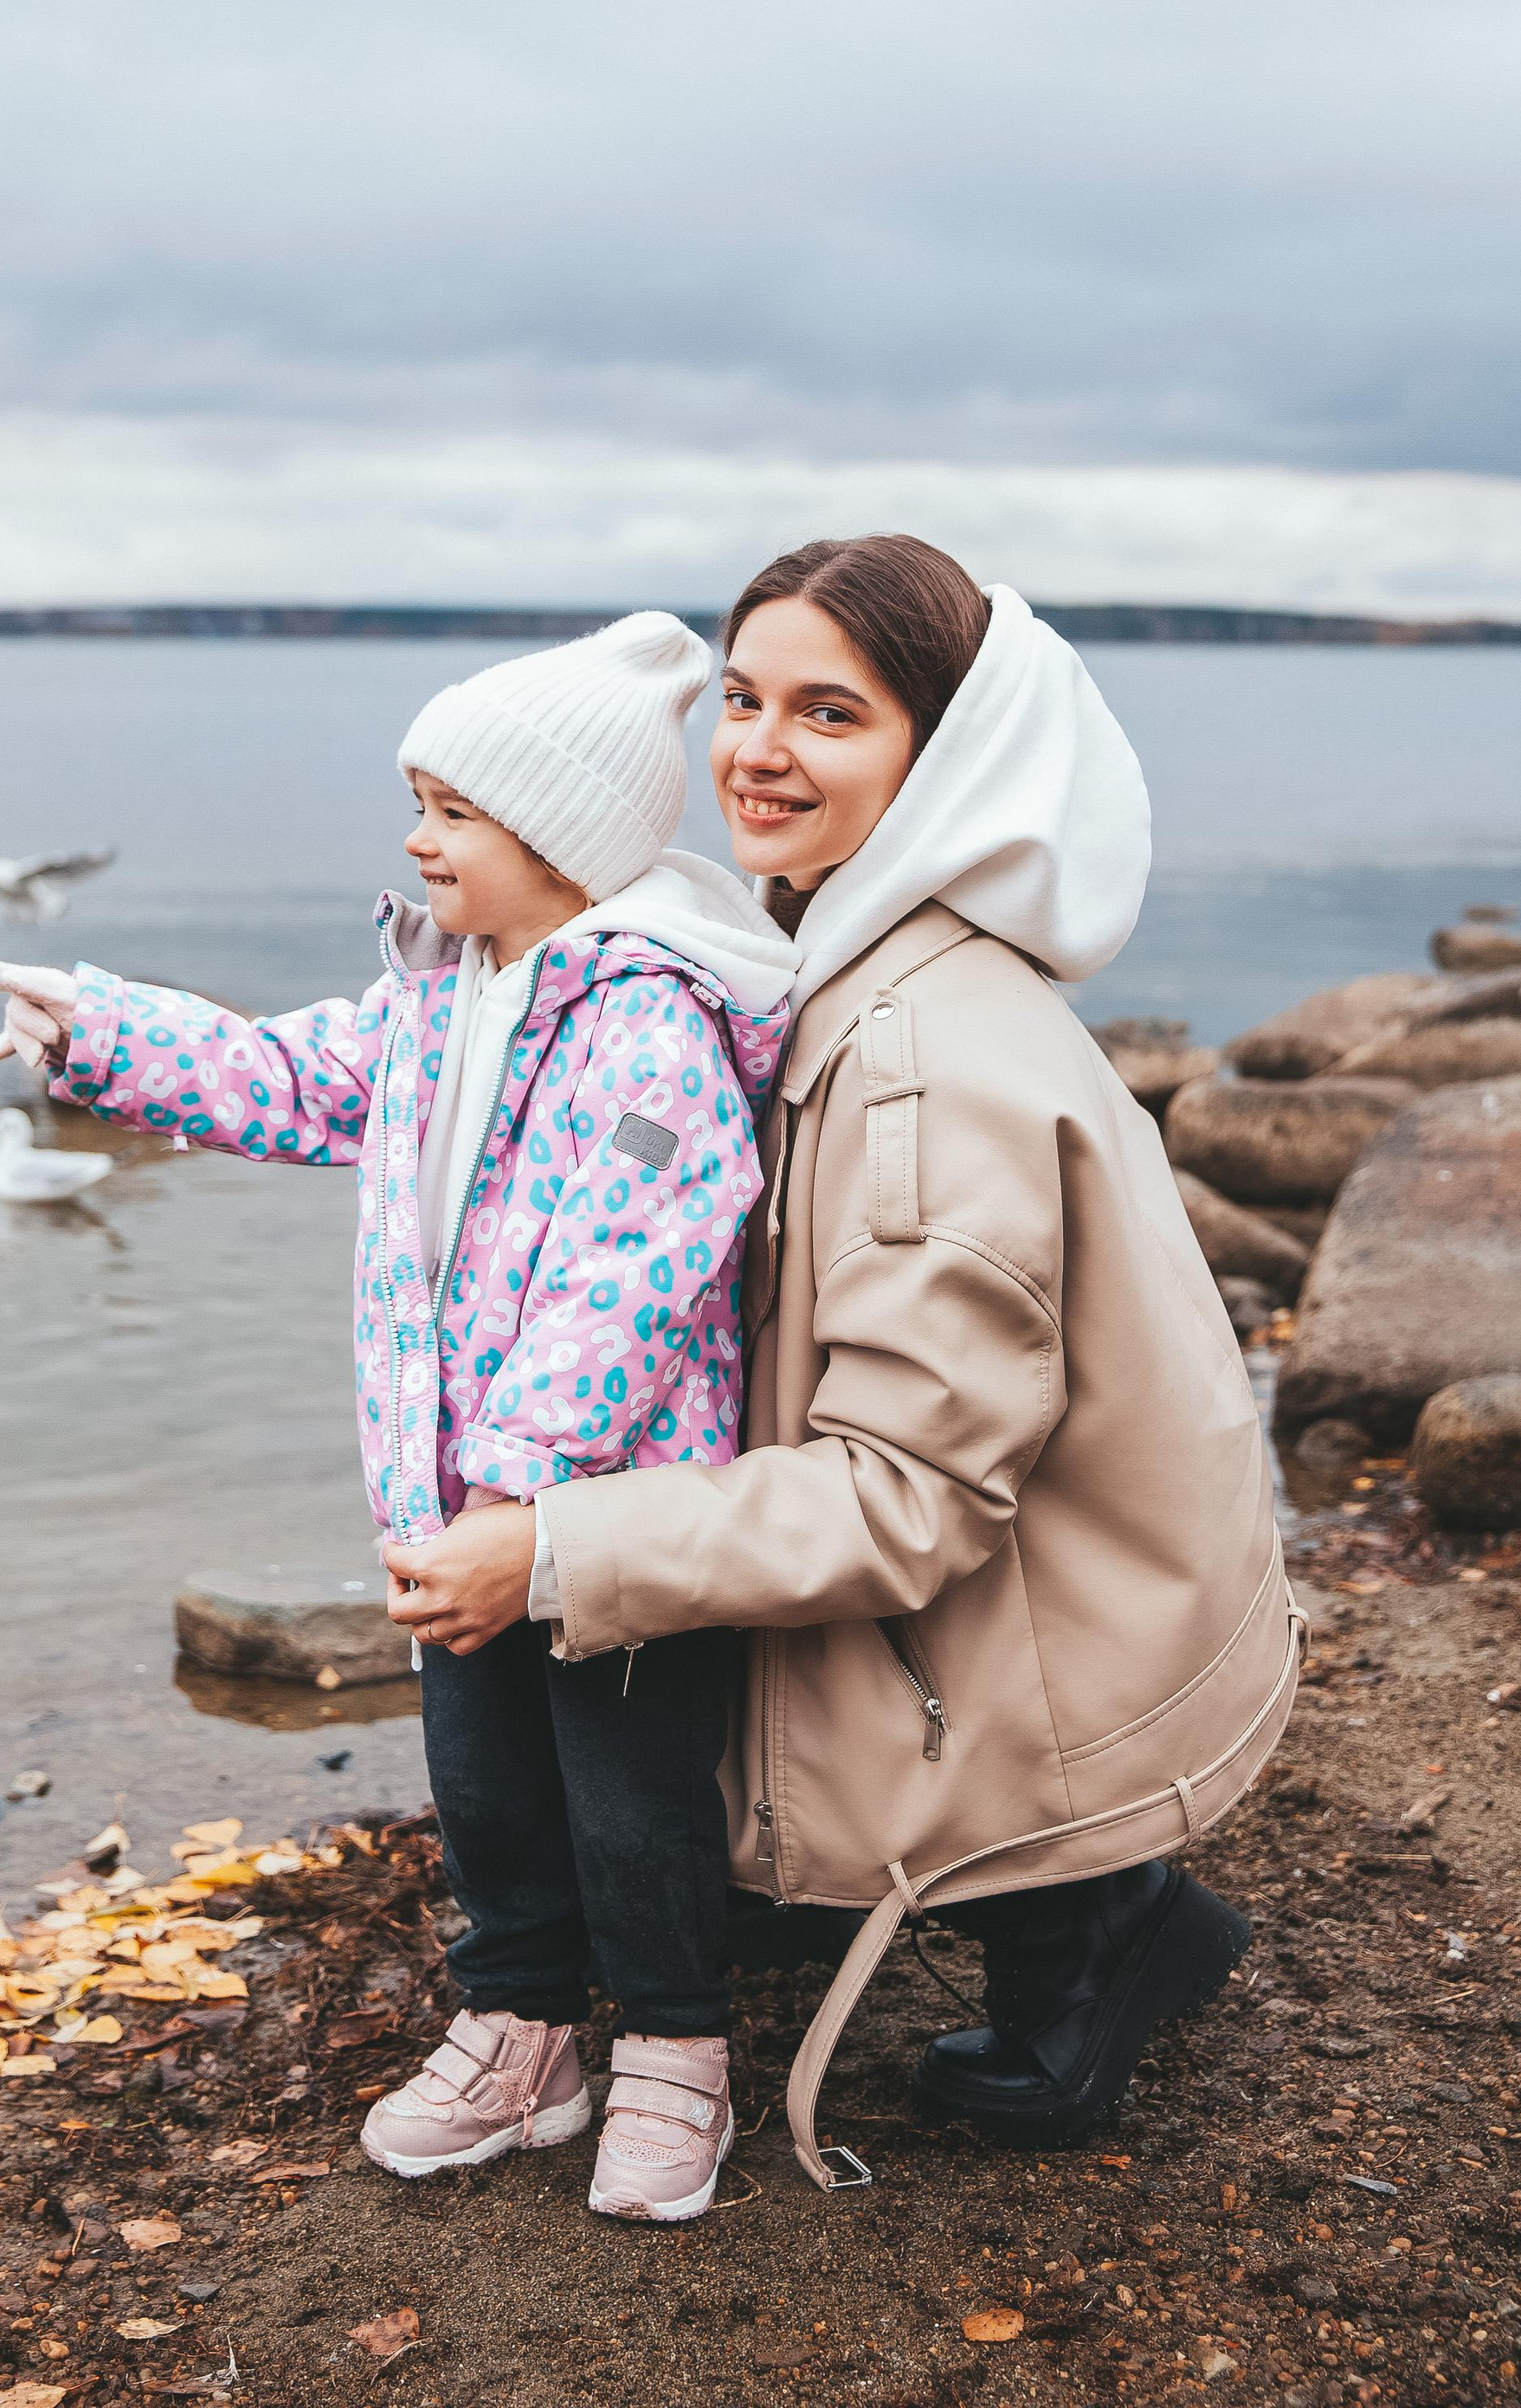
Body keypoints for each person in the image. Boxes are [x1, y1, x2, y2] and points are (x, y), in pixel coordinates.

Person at [382, 537, 1299, 2186]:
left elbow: (909, 1499)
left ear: (935, 755)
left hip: (1066, 1630)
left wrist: (560, 1549)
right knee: (648, 1742)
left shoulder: (925, 1063)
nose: (753, 750)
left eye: (829, 713)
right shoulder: (856, 952)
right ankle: (1063, 1901)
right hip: (1061, 1577)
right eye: (739, 700)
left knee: (622, 1678)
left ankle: (1084, 1931)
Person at [0, 611, 796, 2225]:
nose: (417, 837)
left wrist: (526, 1499)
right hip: (444, 1502)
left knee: (632, 1796)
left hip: (600, 1516)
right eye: (417, 800)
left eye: (453, 810)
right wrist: (99, 1027)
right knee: (484, 1786)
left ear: (560, 837)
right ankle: (525, 2025)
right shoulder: (433, 995)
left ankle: (680, 2049)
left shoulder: (647, 1022)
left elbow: (636, 1263)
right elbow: (283, 1079)